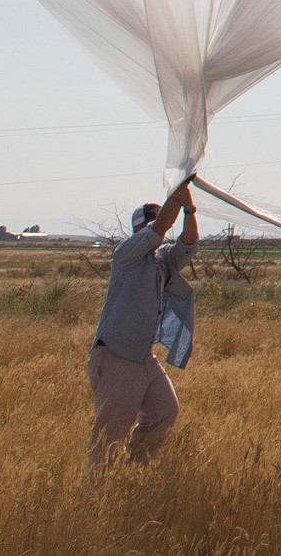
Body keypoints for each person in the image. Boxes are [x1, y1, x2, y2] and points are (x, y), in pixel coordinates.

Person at [90, 180, 198, 467]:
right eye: (150, 225)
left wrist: (188, 209)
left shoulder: (161, 261)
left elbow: (189, 244)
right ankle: (95, 493)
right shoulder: (126, 254)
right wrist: (178, 192)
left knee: (165, 411)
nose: (158, 230)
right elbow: (161, 227)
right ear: (139, 229)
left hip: (143, 356)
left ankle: (132, 468)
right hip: (117, 356)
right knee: (108, 435)